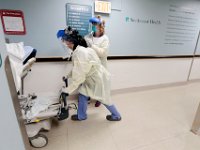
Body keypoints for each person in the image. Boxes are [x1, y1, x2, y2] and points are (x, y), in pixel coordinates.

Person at [60, 28, 121, 121]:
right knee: (83, 94)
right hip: (94, 78)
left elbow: (79, 76)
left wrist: (67, 90)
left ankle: (116, 116)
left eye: (65, 41)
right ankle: (81, 115)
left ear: (70, 42)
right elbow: (78, 68)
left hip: (97, 79)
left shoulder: (80, 52)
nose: (65, 44)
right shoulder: (80, 50)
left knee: (104, 98)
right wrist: (68, 76)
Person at [84, 15, 109, 107]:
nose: (93, 25)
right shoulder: (88, 36)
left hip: (100, 65)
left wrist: (92, 46)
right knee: (88, 81)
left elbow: (102, 53)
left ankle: (100, 98)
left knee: (100, 83)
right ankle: (87, 96)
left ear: (100, 26)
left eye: (95, 24)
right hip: (89, 64)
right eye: (92, 24)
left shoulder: (105, 38)